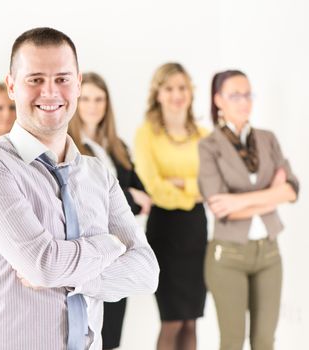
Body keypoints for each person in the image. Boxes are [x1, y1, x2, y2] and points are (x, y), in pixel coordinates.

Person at [0, 27, 159, 350]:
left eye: (62, 79)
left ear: (78, 84)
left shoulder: (97, 174)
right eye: (35, 79)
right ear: (11, 86)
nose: (50, 93)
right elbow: (44, 264)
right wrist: (108, 245)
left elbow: (146, 272)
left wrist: (78, 277)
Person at [199, 70, 299, 350]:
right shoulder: (209, 146)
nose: (244, 102)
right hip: (228, 255)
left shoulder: (268, 139)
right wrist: (272, 195)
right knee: (232, 342)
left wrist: (239, 200)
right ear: (219, 100)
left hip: (269, 253)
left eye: (248, 94)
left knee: (265, 341)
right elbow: (221, 209)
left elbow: (291, 189)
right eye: (235, 95)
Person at [67, 71, 151, 349]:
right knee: (88, 333)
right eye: (87, 98)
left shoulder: (118, 147)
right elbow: (84, 199)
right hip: (89, 251)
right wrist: (129, 196)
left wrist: (127, 198)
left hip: (120, 253)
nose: (92, 105)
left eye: (99, 99)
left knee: (112, 337)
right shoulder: (70, 147)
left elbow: (145, 197)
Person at [134, 63, 208, 350]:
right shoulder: (147, 134)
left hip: (196, 230)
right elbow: (154, 188)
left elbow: (212, 183)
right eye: (169, 88)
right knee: (172, 319)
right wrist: (194, 190)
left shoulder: (203, 135)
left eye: (182, 87)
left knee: (191, 319)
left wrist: (182, 185)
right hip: (165, 231)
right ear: (158, 93)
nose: (177, 94)